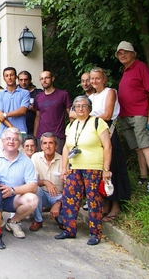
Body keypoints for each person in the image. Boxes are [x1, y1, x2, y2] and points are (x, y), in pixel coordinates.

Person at [56, 95, 112, 246]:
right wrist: (64, 168)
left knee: (94, 200)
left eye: (84, 106)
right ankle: (69, 229)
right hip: (75, 168)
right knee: (70, 198)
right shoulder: (71, 126)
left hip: (94, 167)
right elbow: (66, 147)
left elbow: (107, 146)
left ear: (89, 108)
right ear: (73, 109)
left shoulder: (97, 123)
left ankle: (95, 233)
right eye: (77, 106)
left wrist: (106, 169)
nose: (80, 109)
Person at [115, 41, 149, 193]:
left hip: (140, 113)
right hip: (126, 115)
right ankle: (143, 177)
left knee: (145, 146)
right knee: (137, 148)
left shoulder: (141, 67)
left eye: (125, 52)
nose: (122, 55)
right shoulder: (125, 71)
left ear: (133, 54)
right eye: (119, 53)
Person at [89, 67, 131, 220]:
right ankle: (106, 203)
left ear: (104, 79)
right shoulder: (92, 97)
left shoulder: (110, 92)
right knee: (101, 168)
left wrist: (90, 118)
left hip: (109, 132)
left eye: (97, 78)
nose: (94, 81)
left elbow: (107, 115)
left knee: (113, 167)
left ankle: (116, 206)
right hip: (96, 135)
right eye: (92, 78)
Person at [0, 128, 39, 241]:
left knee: (32, 199)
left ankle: (13, 221)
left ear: (19, 143)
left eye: (15, 139)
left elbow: (33, 186)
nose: (11, 142)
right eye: (8, 139)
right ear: (2, 141)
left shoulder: (26, 161)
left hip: (14, 199)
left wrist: (13, 190)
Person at [30, 133, 64, 231]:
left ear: (56, 146)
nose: (47, 146)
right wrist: (46, 182)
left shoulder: (62, 160)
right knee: (35, 189)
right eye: (45, 143)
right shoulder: (35, 157)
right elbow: (33, 181)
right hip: (42, 194)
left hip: (58, 196)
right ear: (41, 146)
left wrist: (59, 202)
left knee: (64, 224)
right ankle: (38, 220)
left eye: (51, 143)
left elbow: (68, 186)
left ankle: (59, 217)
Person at [34, 70, 72, 154]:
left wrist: (71, 133)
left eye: (47, 78)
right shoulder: (38, 97)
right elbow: (37, 117)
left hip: (57, 135)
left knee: (58, 162)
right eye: (42, 79)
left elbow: (71, 115)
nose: (44, 80)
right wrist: (35, 136)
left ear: (53, 78)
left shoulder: (63, 95)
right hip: (41, 136)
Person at [0, 67, 30, 143]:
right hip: (4, 134)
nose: (9, 78)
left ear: (16, 77)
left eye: (11, 75)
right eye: (7, 76)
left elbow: (23, 110)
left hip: (21, 133)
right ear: (4, 78)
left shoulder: (25, 93)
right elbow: (0, 117)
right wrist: (12, 128)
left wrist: (5, 114)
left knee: (21, 154)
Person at [18, 71, 42, 137]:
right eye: (21, 80)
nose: (23, 82)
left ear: (30, 80)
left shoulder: (38, 93)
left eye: (25, 80)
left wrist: (32, 108)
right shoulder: (15, 94)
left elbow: (43, 111)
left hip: (34, 128)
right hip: (19, 128)